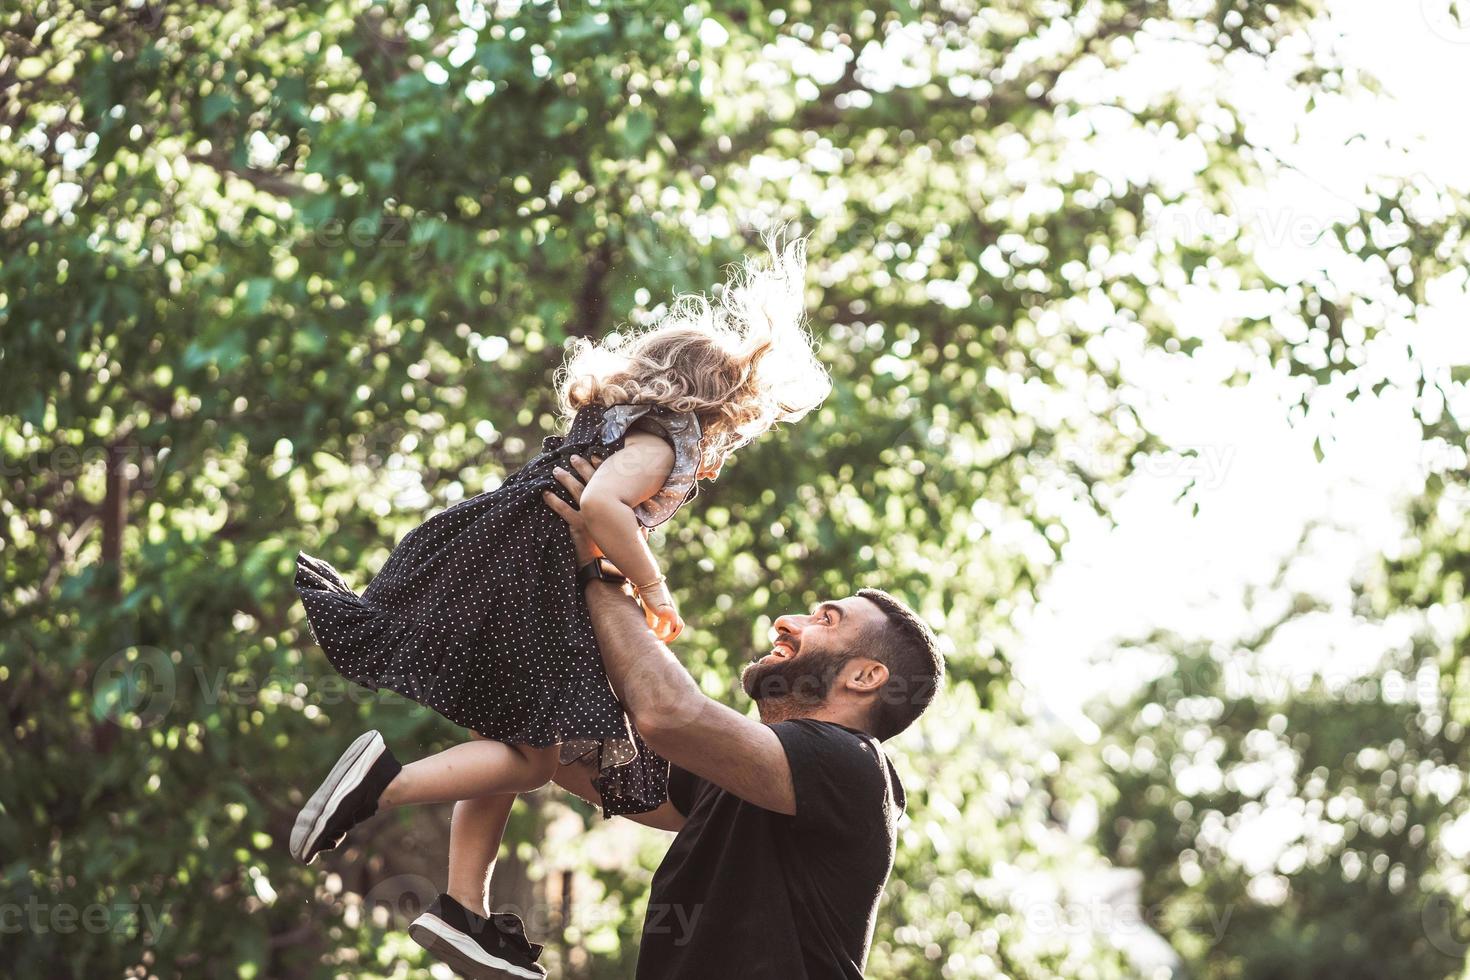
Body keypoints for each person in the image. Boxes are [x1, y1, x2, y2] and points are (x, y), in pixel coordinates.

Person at [287, 227, 831, 979]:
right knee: (533, 755)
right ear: (712, 405)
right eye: (733, 430)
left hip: (502, 564)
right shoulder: (665, 441)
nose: (723, 449)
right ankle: (382, 786)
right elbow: (604, 508)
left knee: (516, 742)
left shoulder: (613, 421)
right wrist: (651, 586)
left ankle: (461, 910)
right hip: (532, 586)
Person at [543, 454, 946, 980]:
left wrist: (606, 567)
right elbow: (583, 761)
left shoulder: (854, 768)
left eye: (826, 619)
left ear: (866, 677)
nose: (785, 619)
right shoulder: (738, 777)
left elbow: (667, 713)